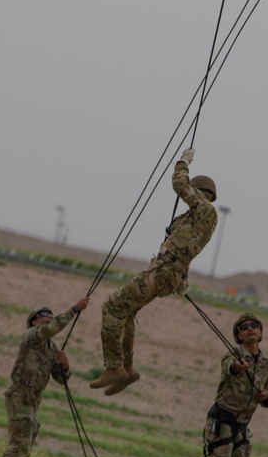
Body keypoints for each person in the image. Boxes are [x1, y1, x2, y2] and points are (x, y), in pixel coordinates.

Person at [88, 147, 218, 396]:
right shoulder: (195, 219)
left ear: (201, 194)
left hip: (162, 273)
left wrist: (182, 162)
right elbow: (186, 249)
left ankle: (115, 367)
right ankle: (126, 368)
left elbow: (179, 185)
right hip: (164, 273)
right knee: (126, 312)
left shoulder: (206, 211)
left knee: (112, 308)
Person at [174, 312, 268, 457]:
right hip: (222, 420)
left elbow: (267, 393)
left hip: (242, 426)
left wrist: (266, 396)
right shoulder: (233, 355)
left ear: (260, 331)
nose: (250, 328)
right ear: (238, 334)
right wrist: (237, 368)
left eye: (254, 325)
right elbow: (229, 367)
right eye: (244, 326)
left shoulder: (266, 364)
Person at [0, 296, 90, 457]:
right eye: (42, 316)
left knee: (25, 448)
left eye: (49, 315)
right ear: (33, 322)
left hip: (33, 401)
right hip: (19, 397)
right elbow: (51, 328)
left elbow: (61, 379)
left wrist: (65, 365)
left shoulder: (51, 349)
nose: (47, 318)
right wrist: (74, 310)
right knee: (20, 446)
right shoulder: (31, 337)